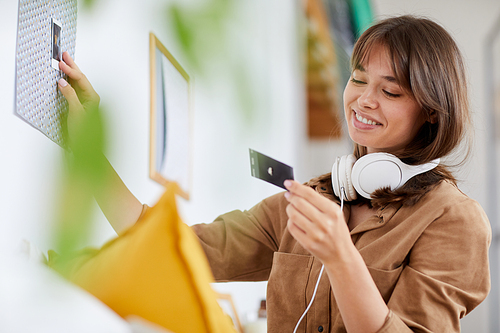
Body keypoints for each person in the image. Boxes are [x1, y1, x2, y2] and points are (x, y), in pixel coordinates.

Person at [57, 15, 491, 333]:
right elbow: (170, 246)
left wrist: (342, 259)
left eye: (390, 90)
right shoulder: (310, 200)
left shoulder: (454, 221)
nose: (363, 100)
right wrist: (90, 150)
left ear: (431, 113)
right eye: (358, 80)